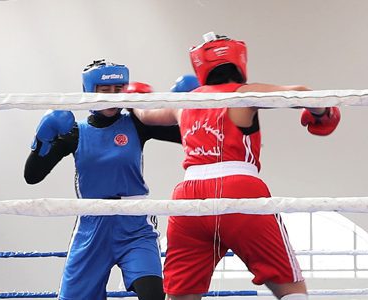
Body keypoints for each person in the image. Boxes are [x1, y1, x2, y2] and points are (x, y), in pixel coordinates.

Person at [133, 33, 341, 300]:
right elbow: (302, 93)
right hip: (239, 189)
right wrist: (323, 114)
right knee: (291, 289)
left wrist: (137, 96)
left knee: (181, 296)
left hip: (187, 198)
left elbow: (146, 115)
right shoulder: (243, 93)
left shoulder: (184, 104)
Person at [24, 59, 182, 300]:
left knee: (153, 296)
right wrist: (41, 140)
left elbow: (188, 136)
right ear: (90, 91)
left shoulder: (137, 123)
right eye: (105, 90)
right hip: (92, 224)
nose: (112, 96)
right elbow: (32, 176)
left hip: (134, 223)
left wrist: (181, 106)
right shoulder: (74, 133)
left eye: (118, 90)